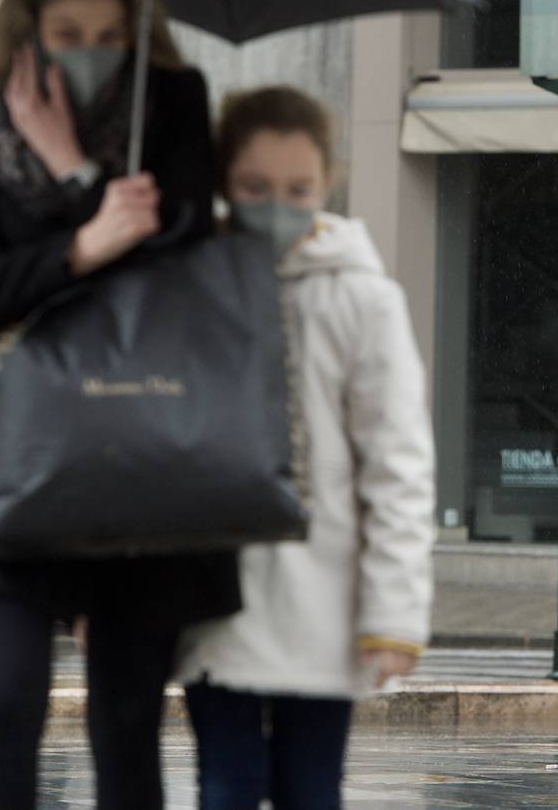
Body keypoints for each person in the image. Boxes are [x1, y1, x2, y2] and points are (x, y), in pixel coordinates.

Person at [0, 0, 241, 809]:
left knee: (126, 716)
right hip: (21, 443)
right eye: (67, 35)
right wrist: (83, 244)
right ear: (27, 32)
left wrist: (73, 167)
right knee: (4, 699)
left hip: (141, 444)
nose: (90, 52)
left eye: (111, 36)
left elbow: (181, 258)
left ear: (139, 34)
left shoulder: (176, 103)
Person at [174, 86, 436, 810]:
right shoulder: (191, 282)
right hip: (214, 593)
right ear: (224, 181)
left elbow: (398, 463)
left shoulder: (363, 298)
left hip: (327, 601)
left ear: (328, 184)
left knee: (309, 790)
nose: (277, 204)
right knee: (226, 786)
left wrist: (393, 616)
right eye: (255, 187)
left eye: (299, 188)